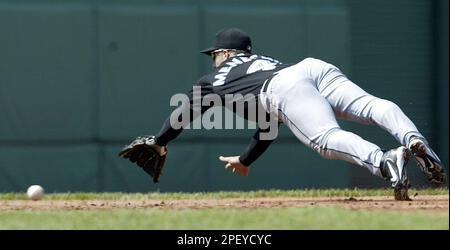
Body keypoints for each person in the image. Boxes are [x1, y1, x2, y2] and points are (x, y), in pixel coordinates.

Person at [122, 28, 445, 200]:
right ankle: (417, 143)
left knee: (325, 139)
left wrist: (160, 142)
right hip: (310, 68)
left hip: (282, 88)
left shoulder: (214, 79)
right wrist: (246, 160)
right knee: (373, 106)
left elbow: (184, 114)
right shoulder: (261, 62)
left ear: (222, 52)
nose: (213, 59)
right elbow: (268, 125)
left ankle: (384, 161)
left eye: (214, 54)